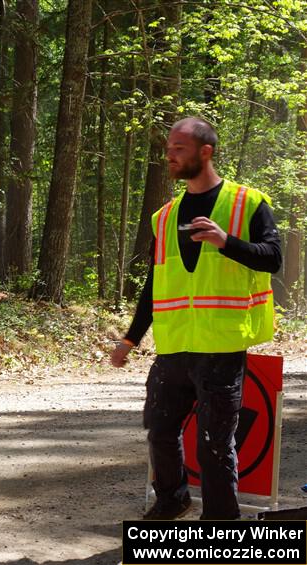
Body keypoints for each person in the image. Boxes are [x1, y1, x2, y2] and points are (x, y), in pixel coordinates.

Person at [111, 117, 282, 520]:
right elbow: (155, 284)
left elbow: (273, 258)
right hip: (173, 346)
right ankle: (172, 499)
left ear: (205, 152)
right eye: (169, 148)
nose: (170, 155)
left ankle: (221, 524)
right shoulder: (164, 217)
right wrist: (130, 339)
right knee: (160, 430)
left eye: (179, 148)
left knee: (215, 443)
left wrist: (226, 242)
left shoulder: (247, 202)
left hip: (221, 346)